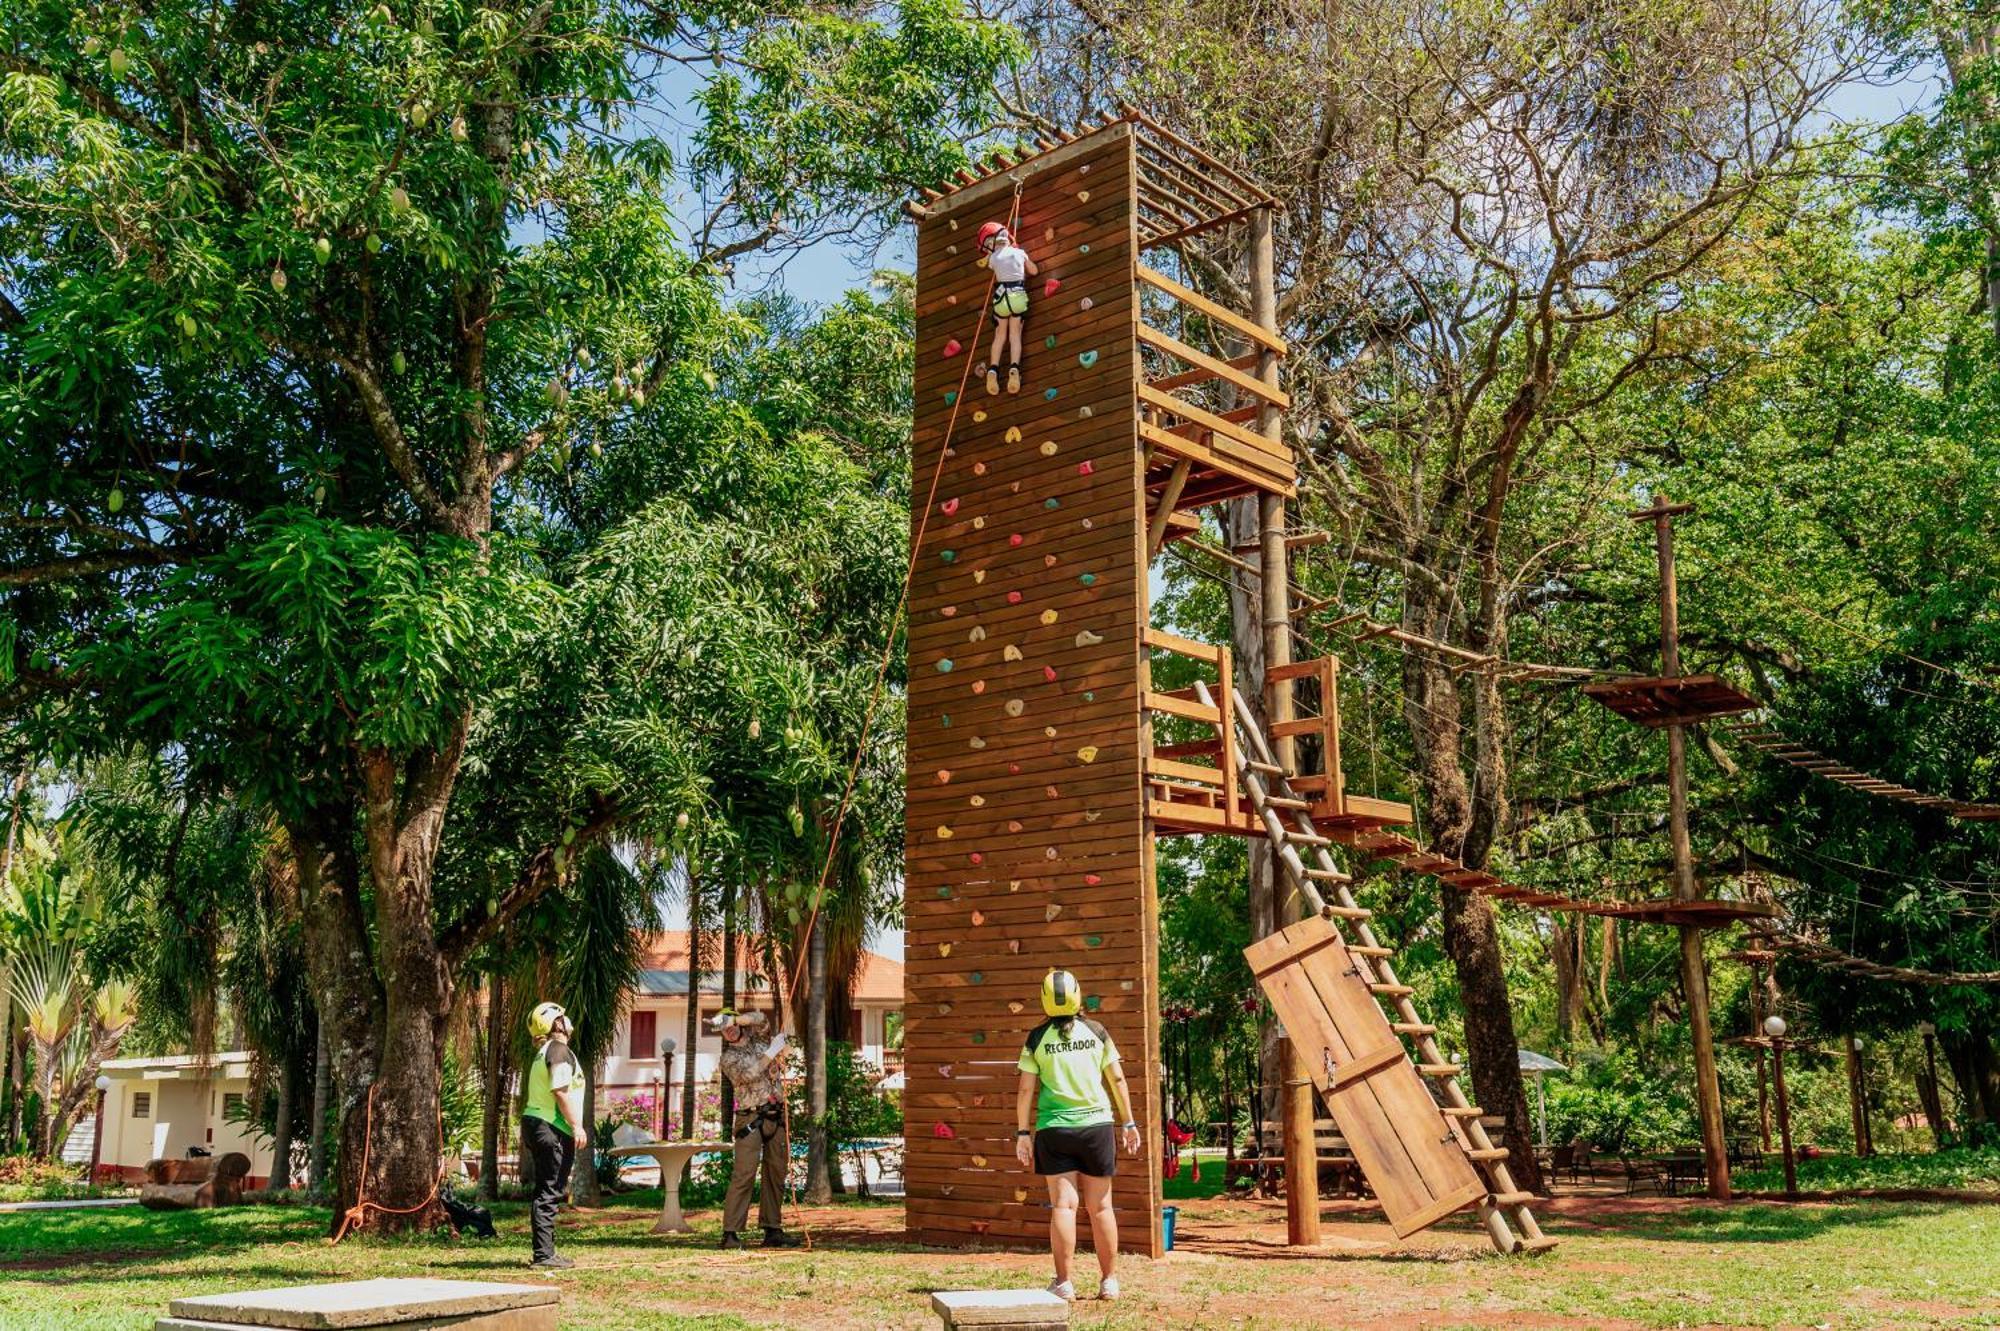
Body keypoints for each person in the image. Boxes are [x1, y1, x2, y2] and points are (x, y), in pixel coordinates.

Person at [1013, 969, 1140, 1302]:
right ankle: (1109, 1282)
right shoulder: (1097, 1032)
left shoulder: (1037, 1038)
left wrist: (1023, 1132)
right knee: (1101, 1208)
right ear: (1078, 995)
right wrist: (1128, 1123)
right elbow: (1118, 1080)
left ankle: (1064, 1283)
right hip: (1097, 1128)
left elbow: (1026, 1089)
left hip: (1054, 1130)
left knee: (1064, 1207)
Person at [713, 1008, 802, 1249]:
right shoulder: (728, 1058)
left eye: (730, 1025)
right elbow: (748, 1076)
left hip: (776, 1116)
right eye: (723, 1029)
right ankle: (730, 1233)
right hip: (750, 1120)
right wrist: (771, 1053)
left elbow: (761, 1019)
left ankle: (772, 1229)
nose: (728, 1030)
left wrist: (735, 1018)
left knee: (776, 1173)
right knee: (744, 1175)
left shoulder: (759, 1040)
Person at [522, 1000, 588, 1271]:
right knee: (549, 1190)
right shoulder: (559, 1050)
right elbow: (560, 1090)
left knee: (549, 1189)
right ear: (556, 1024)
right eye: (564, 1016)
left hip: (540, 1123)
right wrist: (577, 1126)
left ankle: (546, 1251)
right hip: (550, 1126)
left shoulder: (547, 1050)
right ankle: (543, 1255)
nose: (568, 1019)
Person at [978, 221, 1037, 396]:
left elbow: (992, 266)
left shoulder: (993, 258)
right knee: (1014, 334)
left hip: (1001, 296)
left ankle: (993, 369)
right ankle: (1014, 368)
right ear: (1009, 239)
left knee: (1000, 335)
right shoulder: (1020, 253)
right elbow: (1034, 271)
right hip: (1017, 294)